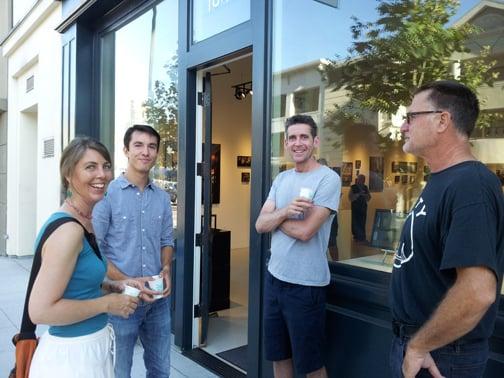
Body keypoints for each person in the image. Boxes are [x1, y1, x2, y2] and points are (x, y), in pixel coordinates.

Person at [390, 81, 504, 378]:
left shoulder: (470, 184)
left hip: (442, 355)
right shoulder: (443, 180)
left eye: (411, 116)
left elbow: (478, 291)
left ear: (443, 120)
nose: (403, 126)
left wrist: (418, 346)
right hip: (423, 346)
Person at [28, 137, 140, 377]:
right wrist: (108, 304)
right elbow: (40, 311)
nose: (102, 174)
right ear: (69, 174)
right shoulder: (68, 230)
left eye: (106, 165)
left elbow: (76, 281)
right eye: (90, 167)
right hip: (71, 359)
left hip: (89, 349)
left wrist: (114, 285)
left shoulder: (84, 221)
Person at [255, 115, 341, 378]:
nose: (297, 143)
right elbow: (259, 224)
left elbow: (305, 232)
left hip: (306, 287)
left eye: (304, 137)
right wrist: (285, 212)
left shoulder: (327, 179)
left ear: (315, 141)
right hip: (275, 280)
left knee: (311, 365)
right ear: (285, 143)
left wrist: (276, 217)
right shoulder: (281, 179)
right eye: (292, 137)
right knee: (279, 356)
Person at [93, 124, 174, 378]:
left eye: (151, 146)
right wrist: (125, 281)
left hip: (157, 299)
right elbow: (94, 250)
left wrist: (167, 268)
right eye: (138, 145)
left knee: (160, 370)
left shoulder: (161, 197)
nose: (145, 152)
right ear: (126, 150)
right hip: (121, 299)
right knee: (119, 372)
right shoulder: (107, 194)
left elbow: (166, 240)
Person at [349, 174, 371, 242]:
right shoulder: (353, 187)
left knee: (363, 222)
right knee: (355, 222)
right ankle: (357, 237)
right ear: (358, 180)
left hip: (363, 207)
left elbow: (369, 197)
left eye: (363, 180)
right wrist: (358, 194)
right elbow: (350, 197)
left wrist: (364, 195)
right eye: (361, 179)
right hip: (355, 208)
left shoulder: (365, 187)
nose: (362, 181)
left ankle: (362, 237)